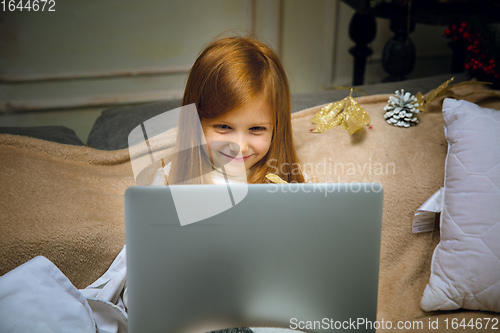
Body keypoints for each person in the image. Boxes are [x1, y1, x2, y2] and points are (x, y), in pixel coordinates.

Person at [151, 35, 307, 186]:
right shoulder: (168, 181)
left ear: (277, 128)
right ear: (195, 122)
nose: (240, 146)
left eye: (257, 128)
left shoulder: (291, 183)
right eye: (224, 127)